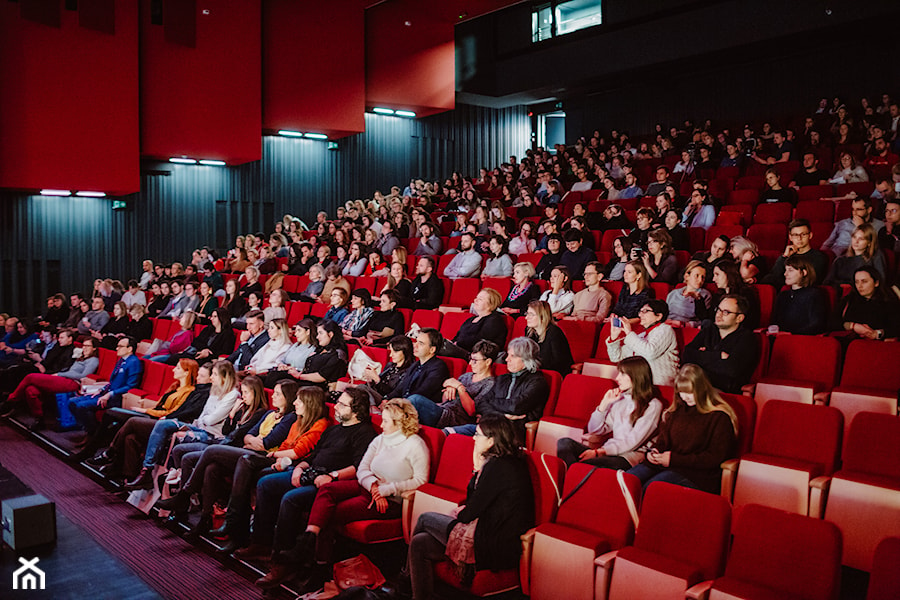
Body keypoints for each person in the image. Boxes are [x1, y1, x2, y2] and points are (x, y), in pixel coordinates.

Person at [267, 398, 430, 588]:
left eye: (385, 421)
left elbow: (420, 480)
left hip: (389, 500)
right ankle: (309, 539)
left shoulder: (416, 445)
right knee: (327, 489)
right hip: (368, 488)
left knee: (329, 513)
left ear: (400, 422)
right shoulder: (381, 439)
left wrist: (386, 490)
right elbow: (363, 468)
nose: (382, 424)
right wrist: (374, 485)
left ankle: (320, 568)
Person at [159, 383, 329, 551]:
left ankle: (191, 498)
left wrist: (270, 452)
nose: (295, 403)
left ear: (309, 403)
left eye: (298, 400)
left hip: (275, 459)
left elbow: (284, 448)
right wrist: (240, 424)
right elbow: (249, 436)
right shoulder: (291, 419)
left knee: (214, 452)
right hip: (262, 454)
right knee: (212, 468)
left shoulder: (310, 422)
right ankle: (206, 520)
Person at [248, 387, 377, 589]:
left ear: (356, 410)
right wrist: (299, 467)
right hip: (310, 472)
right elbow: (314, 455)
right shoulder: (334, 429)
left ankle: (284, 564)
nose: (336, 407)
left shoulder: (364, 432)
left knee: (291, 498)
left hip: (329, 482)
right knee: (266, 483)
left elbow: (359, 466)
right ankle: (262, 543)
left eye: (343, 405)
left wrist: (332, 476)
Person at [407, 415, 534, 599]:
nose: (474, 438)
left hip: (493, 543)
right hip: (488, 530)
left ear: (491, 440)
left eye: (478, 435)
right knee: (419, 543)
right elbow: (475, 503)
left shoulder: (498, 467)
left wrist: (476, 469)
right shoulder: (507, 461)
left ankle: (404, 580)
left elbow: (469, 512)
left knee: (425, 519)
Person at [123, 363, 247, 491]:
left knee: (178, 437)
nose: (211, 378)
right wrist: (202, 421)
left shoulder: (232, 395)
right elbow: (203, 416)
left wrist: (203, 421)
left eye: (215, 374)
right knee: (163, 424)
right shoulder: (215, 390)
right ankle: (147, 469)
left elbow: (211, 420)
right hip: (199, 427)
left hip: (212, 435)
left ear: (225, 377)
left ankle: (173, 485)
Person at [627, 364, 738, 494]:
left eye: (690, 392)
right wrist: (654, 452)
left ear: (701, 389)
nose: (685, 397)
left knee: (650, 489)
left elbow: (715, 457)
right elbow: (663, 441)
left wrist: (674, 459)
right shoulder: (676, 411)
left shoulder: (719, 417)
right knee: (628, 480)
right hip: (666, 466)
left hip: (697, 475)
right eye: (681, 392)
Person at [557, 356, 663, 469]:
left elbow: (633, 441)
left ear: (636, 376)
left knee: (582, 466)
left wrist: (600, 452)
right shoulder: (621, 399)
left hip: (627, 458)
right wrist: (604, 404)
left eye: (622, 374)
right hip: (606, 452)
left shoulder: (653, 405)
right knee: (564, 443)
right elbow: (595, 430)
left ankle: (571, 476)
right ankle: (573, 476)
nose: (617, 378)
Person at [0, 332, 97, 427]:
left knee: (30, 377)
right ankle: (39, 418)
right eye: (84, 345)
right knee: (30, 390)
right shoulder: (80, 357)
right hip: (63, 378)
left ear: (94, 348)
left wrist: (60, 374)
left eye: (87, 346)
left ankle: (10, 401)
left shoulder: (93, 360)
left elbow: (83, 375)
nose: (84, 348)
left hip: (72, 382)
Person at [68, 337, 142, 442]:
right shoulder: (121, 360)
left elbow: (131, 386)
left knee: (82, 406)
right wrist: (101, 389)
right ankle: (92, 431)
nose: (117, 348)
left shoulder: (134, 362)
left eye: (120, 346)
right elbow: (113, 381)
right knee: (72, 402)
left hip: (117, 398)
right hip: (106, 393)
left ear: (129, 349)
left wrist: (110, 394)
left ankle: (93, 435)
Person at [683, 295, 760, 393]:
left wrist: (701, 357)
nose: (719, 315)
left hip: (724, 391)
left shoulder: (747, 338)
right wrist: (717, 356)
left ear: (739, 318)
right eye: (718, 310)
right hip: (698, 384)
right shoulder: (709, 330)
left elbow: (731, 370)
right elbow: (687, 354)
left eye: (726, 312)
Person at [606, 299, 679, 386]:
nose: (640, 315)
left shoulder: (666, 330)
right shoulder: (641, 335)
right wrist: (614, 337)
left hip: (659, 385)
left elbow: (650, 352)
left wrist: (629, 333)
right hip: (640, 384)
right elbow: (616, 358)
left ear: (659, 316)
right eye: (640, 311)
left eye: (645, 311)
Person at [431, 340, 498, 429]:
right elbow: (446, 400)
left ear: (488, 362)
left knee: (416, 401)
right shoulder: (466, 376)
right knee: (412, 405)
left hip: (457, 419)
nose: (470, 364)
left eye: (475, 361)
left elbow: (471, 412)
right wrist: (449, 388)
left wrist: (459, 387)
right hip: (444, 409)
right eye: (470, 359)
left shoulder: (490, 384)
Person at [390, 328, 450, 413]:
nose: (415, 345)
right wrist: (386, 399)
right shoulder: (415, 364)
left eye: (421, 343)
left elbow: (424, 392)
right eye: (416, 341)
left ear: (432, 349)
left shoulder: (439, 367)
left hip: (420, 409)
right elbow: (401, 388)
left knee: (414, 399)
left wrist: (397, 403)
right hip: (404, 404)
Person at [833, 265, 898, 341]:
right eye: (857, 282)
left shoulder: (889, 301)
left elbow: (896, 328)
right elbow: (831, 323)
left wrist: (877, 333)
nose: (859, 286)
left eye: (864, 281)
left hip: (876, 345)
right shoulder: (849, 299)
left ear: (876, 283)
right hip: (850, 343)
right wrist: (852, 326)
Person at [439, 289, 508, 359]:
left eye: (480, 299)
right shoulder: (470, 319)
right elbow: (457, 337)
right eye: (476, 298)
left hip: (478, 355)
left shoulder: (495, 319)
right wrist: (452, 343)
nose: (475, 300)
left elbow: (482, 340)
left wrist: (457, 344)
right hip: (461, 349)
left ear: (491, 304)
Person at [772, 254, 828, 334]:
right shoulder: (783, 295)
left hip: (803, 340)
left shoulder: (814, 294)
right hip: (782, 338)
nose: (785, 274)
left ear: (804, 272)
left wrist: (791, 334)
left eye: (790, 270)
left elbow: (817, 325)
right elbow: (775, 323)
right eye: (785, 270)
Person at [762, 219, 828, 287]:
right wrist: (784, 256)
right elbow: (773, 277)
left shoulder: (819, 257)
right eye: (795, 235)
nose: (799, 238)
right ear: (790, 237)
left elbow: (812, 280)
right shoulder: (787, 256)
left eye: (803, 234)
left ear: (810, 235)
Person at [289, 320, 349, 391]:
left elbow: (322, 376)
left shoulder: (338, 354)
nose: (317, 337)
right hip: (306, 382)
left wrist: (299, 376)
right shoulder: (320, 349)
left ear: (330, 334)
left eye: (320, 333)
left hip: (318, 389)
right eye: (317, 333)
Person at [524, 300, 574, 375]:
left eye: (531, 314)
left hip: (552, 374)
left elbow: (559, 363)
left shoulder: (554, 333)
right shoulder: (529, 332)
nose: (526, 317)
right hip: (536, 372)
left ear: (542, 317)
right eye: (527, 313)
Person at [666, 260, 713, 325]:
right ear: (687, 276)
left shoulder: (705, 295)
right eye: (697, 276)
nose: (700, 280)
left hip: (688, 329)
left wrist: (686, 324)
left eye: (703, 277)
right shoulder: (673, 293)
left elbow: (704, 321)